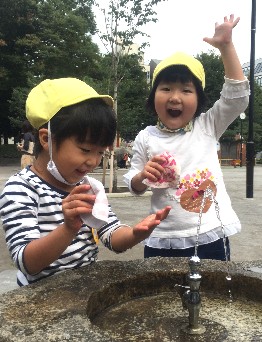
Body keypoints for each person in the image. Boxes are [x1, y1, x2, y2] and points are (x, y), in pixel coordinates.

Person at [0, 78, 171, 286]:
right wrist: (68, 228)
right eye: (85, 150)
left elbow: (110, 233)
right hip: (42, 301)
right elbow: (27, 263)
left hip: (83, 292)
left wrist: (135, 234)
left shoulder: (89, 186)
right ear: (46, 139)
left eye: (100, 152)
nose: (93, 161)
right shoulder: (21, 189)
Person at [124, 14, 250, 260]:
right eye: (166, 88)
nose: (175, 97)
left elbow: (237, 99)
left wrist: (226, 47)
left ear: (199, 100)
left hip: (210, 234)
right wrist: (141, 177)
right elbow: (132, 183)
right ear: (153, 97)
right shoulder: (146, 137)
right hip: (161, 237)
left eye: (186, 90)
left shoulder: (207, 125)